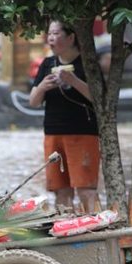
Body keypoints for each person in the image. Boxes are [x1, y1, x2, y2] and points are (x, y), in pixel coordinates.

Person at [29, 21, 100, 210]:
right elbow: (33, 102)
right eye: (49, 34)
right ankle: (64, 227)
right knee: (60, 189)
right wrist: (43, 87)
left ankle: (93, 228)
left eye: (55, 33)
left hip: (83, 132)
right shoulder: (47, 64)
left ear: (70, 38)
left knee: (86, 188)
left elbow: (99, 99)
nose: (50, 38)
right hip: (53, 132)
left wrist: (74, 81)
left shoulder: (87, 64)